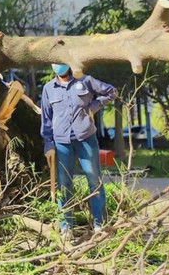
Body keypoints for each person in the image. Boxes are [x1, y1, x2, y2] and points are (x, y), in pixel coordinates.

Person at [40, 63, 116, 240]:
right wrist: (48, 144)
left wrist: (93, 108)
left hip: (86, 138)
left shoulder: (86, 81)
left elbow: (111, 91)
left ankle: (99, 225)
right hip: (61, 143)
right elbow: (46, 118)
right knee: (64, 183)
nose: (60, 68)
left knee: (94, 180)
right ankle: (66, 227)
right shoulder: (48, 88)